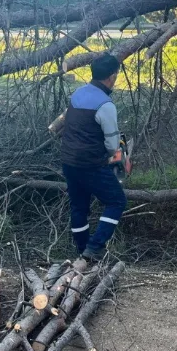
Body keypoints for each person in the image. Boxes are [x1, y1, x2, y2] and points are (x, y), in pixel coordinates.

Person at [59, 54, 128, 268]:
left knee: (79, 206)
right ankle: (95, 247)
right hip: (90, 164)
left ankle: (82, 252)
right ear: (112, 76)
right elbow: (112, 146)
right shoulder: (106, 105)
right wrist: (118, 156)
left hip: (69, 161)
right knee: (116, 201)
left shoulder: (78, 94)